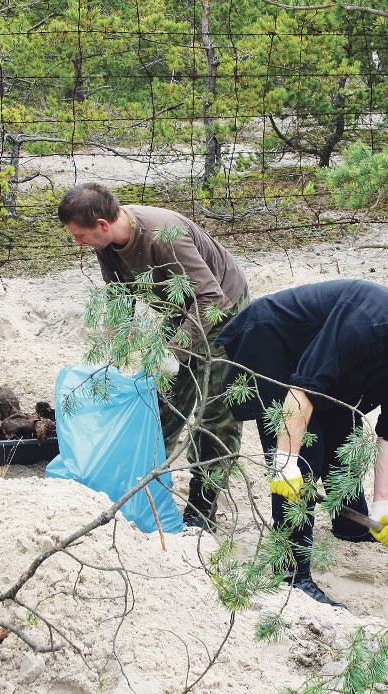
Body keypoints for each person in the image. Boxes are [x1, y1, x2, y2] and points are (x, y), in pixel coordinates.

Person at [215, 279, 388, 608]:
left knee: (345, 433)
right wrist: (284, 462)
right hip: (272, 347)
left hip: (321, 374)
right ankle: (290, 572)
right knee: (307, 454)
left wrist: (383, 507)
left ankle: (351, 524)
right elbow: (304, 388)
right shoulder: (371, 322)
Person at [57, 183, 249, 529]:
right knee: (159, 404)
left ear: (102, 224)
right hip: (182, 311)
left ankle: (202, 510)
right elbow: (120, 299)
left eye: (80, 235)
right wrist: (110, 354)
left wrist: (174, 351)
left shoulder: (162, 234)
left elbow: (211, 299)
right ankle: (147, 492)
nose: (77, 243)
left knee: (215, 415)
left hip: (226, 312)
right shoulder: (107, 245)